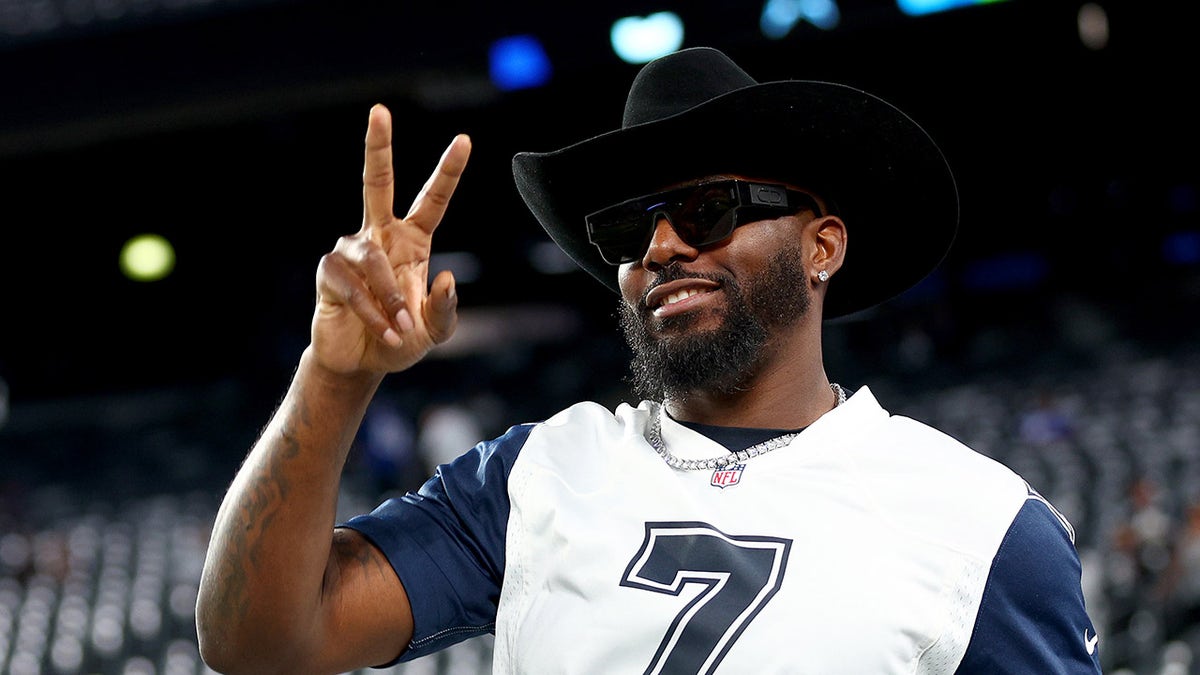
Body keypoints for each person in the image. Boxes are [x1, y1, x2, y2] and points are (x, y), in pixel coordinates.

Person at [195, 46, 1103, 674]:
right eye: (629, 227)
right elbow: (261, 642)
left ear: (821, 244)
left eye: (706, 208)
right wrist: (335, 373)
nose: (661, 245)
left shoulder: (982, 527)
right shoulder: (533, 476)